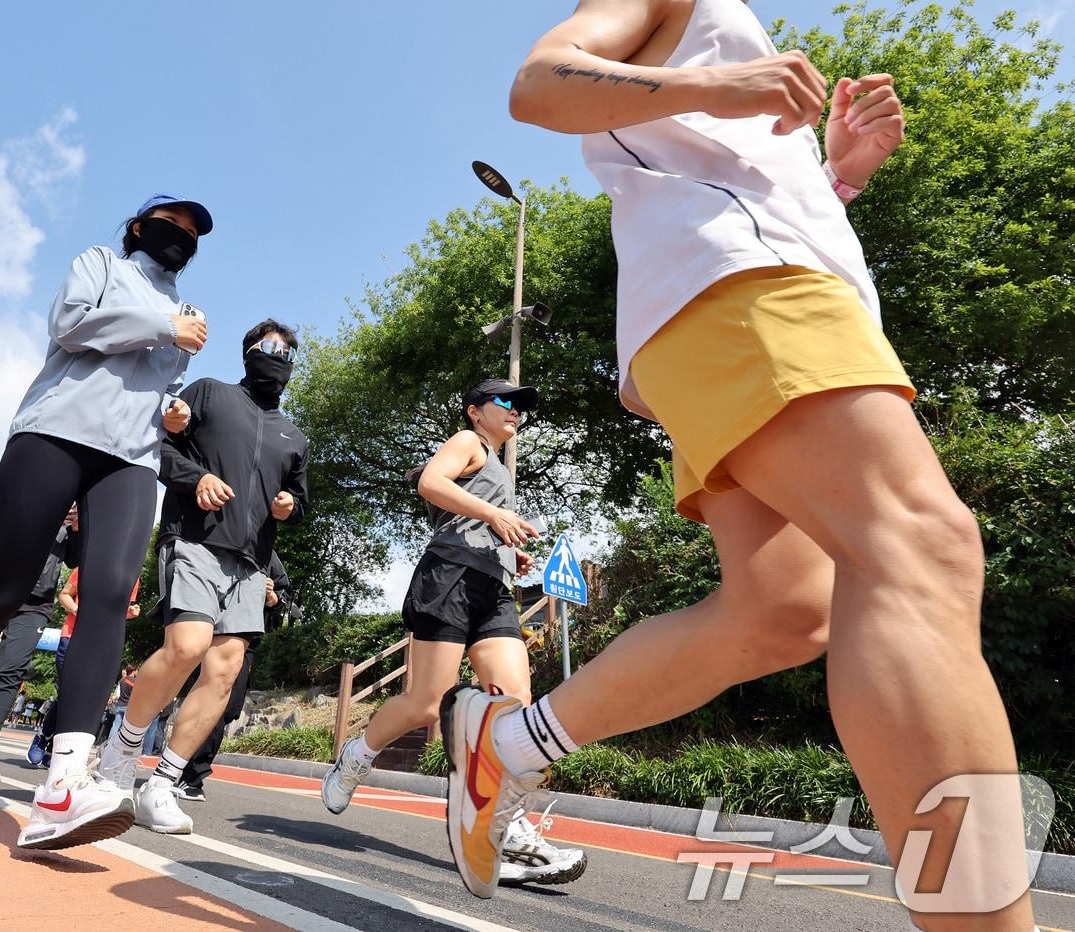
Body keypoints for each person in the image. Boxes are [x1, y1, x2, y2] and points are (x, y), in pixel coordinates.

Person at [439, 4, 1038, 928]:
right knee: (919, 544)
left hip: (745, 298)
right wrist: (722, 84)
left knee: (782, 612)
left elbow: (729, 170)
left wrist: (836, 176)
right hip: (745, 291)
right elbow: (541, 83)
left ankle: (514, 741)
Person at [0, 193, 212, 852]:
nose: (181, 237)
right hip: (53, 433)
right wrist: (163, 326)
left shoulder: (186, 312)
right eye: (172, 225)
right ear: (141, 227)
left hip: (131, 457)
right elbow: (71, 327)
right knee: (1, 591)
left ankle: (63, 787)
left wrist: (171, 411)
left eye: (193, 233)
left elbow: (143, 378)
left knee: (108, 596)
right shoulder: (101, 262)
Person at [323, 380, 585, 887]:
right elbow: (431, 483)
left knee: (514, 700)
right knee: (427, 703)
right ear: (475, 411)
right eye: (504, 403)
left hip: (492, 587)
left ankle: (504, 827)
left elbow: (477, 520)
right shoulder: (468, 443)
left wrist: (508, 551)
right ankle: (356, 758)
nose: (515, 413)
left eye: (520, 408)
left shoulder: (502, 468)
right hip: (447, 579)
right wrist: (493, 514)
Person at [97, 319, 309, 835]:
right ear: (248, 352)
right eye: (267, 346)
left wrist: (289, 506)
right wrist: (198, 479)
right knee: (187, 646)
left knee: (225, 668)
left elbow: (302, 501)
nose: (275, 355)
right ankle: (117, 763)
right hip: (193, 540)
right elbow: (160, 447)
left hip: (251, 561)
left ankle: (163, 784)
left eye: (285, 350)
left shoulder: (294, 435)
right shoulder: (209, 394)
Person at [0, 510, 80, 785]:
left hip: (36, 602)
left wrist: (79, 526)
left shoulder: (75, 514)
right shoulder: (35, 491)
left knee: (9, 673)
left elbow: (76, 558)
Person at [173, 552, 289, 801]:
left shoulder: (266, 553)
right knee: (208, 700)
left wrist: (272, 597)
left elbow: (284, 597)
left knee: (230, 708)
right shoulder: (212, 543)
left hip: (244, 639)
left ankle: (180, 766)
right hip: (205, 632)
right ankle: (189, 774)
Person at [28, 567, 141, 766]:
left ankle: (59, 748)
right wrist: (79, 611)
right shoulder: (87, 566)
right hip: (72, 636)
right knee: (67, 692)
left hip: (102, 642)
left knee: (86, 697)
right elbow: (64, 595)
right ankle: (44, 736)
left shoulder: (132, 576)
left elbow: (119, 613)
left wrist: (130, 613)